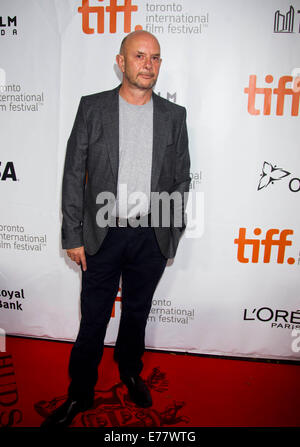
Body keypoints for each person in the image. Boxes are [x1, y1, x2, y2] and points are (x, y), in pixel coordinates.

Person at [42, 30, 190, 428]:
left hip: (150, 237)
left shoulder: (175, 117)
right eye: (140, 56)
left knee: (137, 313)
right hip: (101, 234)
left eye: (155, 57)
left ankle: (129, 371)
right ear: (121, 62)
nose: (149, 65)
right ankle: (80, 394)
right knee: (93, 317)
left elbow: (180, 179)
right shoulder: (92, 108)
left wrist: (170, 232)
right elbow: (74, 173)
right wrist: (71, 234)